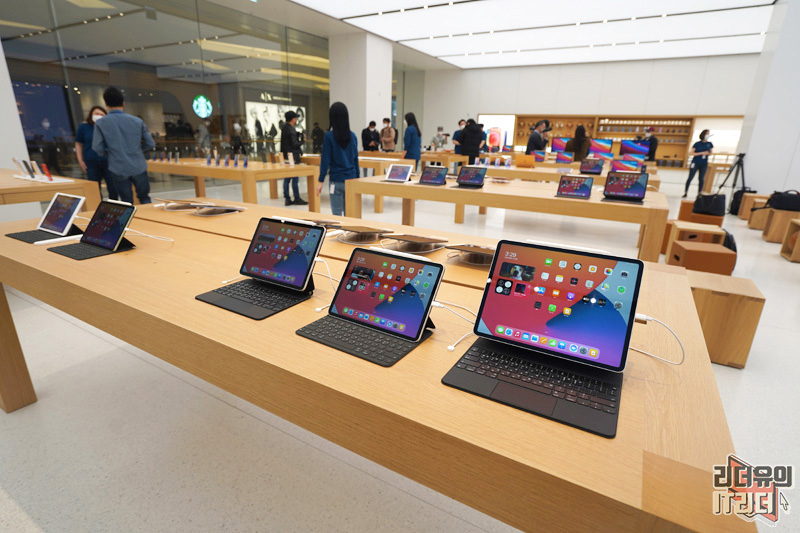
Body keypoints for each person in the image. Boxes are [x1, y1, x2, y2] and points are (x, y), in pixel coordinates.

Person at [92, 87, 155, 204]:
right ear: (123, 103)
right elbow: (150, 143)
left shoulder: (101, 123)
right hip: (138, 165)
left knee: (126, 201)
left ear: (106, 104)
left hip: (117, 166)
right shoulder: (137, 121)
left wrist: (109, 154)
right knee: (144, 197)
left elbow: (97, 147)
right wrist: (139, 150)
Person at [316, 102, 359, 216]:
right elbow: (355, 159)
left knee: (336, 215)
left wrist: (320, 180)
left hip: (336, 180)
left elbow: (325, 160)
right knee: (350, 215)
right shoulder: (353, 136)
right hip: (351, 180)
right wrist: (357, 178)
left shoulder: (329, 136)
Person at [76, 106, 116, 200]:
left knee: (113, 188)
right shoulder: (84, 127)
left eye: (102, 114)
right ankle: (97, 206)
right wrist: (80, 160)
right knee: (94, 189)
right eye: (97, 114)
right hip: (91, 161)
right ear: (91, 114)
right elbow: (79, 144)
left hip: (108, 161)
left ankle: (113, 205)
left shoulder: (109, 127)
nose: (99, 116)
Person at [280, 110, 307, 206]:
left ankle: (287, 198)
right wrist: (302, 141)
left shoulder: (284, 128)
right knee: (295, 179)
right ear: (293, 119)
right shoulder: (291, 129)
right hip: (293, 157)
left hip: (286, 156)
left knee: (287, 178)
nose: (296, 120)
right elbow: (295, 144)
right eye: (295, 118)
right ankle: (297, 198)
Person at [683, 130, 713, 198]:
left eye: (708, 134)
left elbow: (711, 153)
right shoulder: (697, 144)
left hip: (704, 163)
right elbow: (691, 153)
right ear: (703, 134)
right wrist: (701, 153)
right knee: (690, 177)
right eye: (707, 134)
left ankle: (699, 193)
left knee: (701, 178)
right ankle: (686, 192)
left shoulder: (709, 144)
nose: (708, 135)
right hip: (695, 162)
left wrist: (707, 153)